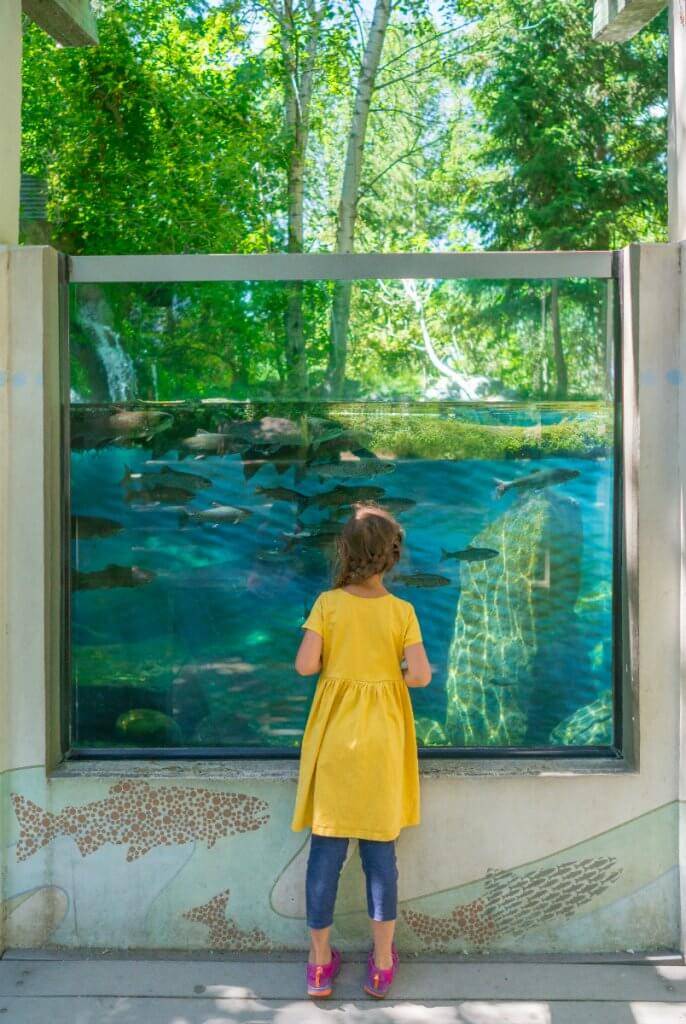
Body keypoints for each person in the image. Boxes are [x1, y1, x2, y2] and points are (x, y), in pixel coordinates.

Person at [291, 503, 432, 1000]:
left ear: (344, 553)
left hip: (335, 744)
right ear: (392, 558)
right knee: (380, 857)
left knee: (325, 855)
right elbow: (420, 675)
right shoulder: (403, 612)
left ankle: (318, 962)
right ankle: (383, 963)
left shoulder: (327, 605)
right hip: (381, 748)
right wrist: (386, 674)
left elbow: (306, 665)